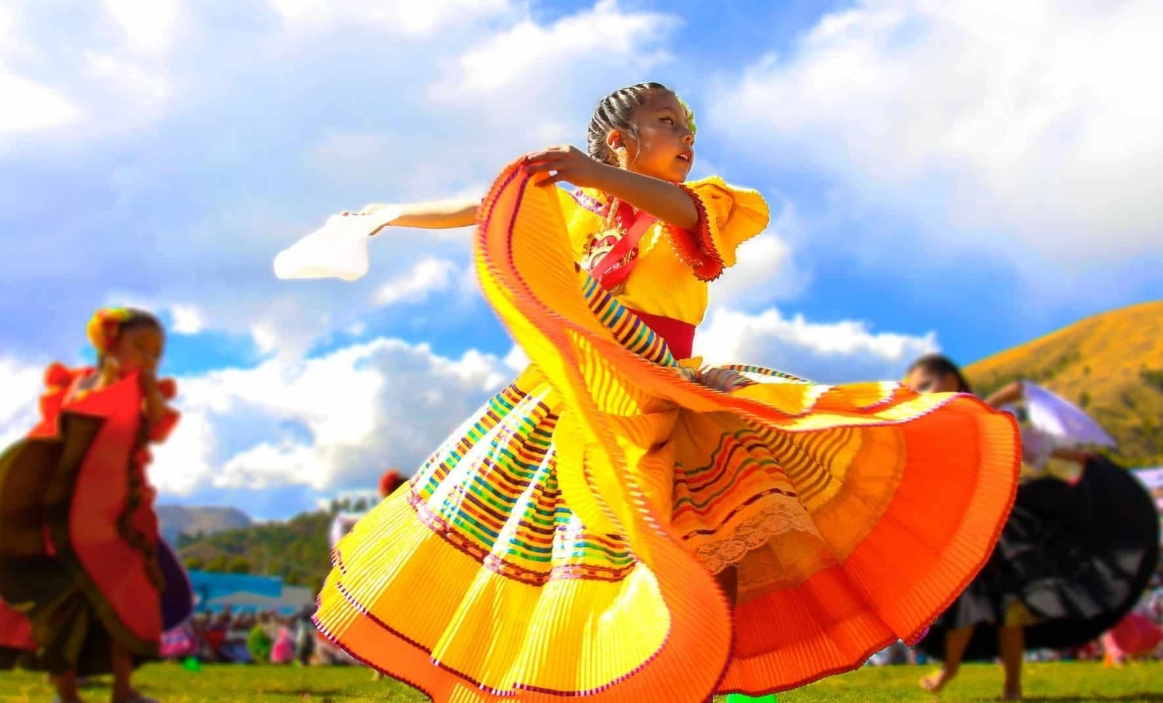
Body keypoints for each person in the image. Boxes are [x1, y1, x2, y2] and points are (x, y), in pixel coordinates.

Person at [308, 83, 1021, 702]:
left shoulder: (702, 202)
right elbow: (486, 204)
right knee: (569, 553)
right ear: (621, 139)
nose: (687, 136)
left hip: (671, 393)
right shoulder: (578, 208)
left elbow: (682, 215)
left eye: (688, 126)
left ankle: (698, 680)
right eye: (669, 122)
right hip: (587, 398)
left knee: (715, 541)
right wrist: (384, 212)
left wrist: (593, 172)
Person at [906, 355, 1161, 700]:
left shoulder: (979, 416)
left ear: (951, 380)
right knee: (964, 607)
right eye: (915, 389)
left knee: (1011, 611)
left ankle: (1011, 685)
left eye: (925, 384)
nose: (921, 393)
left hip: (1006, 524)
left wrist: (1076, 457)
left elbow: (1026, 442)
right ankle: (949, 669)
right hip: (964, 528)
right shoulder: (934, 425)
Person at [0, 308, 181, 703]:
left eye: (156, 354)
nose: (149, 359)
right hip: (64, 511)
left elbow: (157, 426)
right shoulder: (77, 384)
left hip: (117, 512)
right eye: (141, 348)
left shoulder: (142, 392)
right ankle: (66, 693)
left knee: (127, 593)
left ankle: (122, 689)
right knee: (65, 600)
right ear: (108, 344)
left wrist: (148, 394)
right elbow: (53, 436)